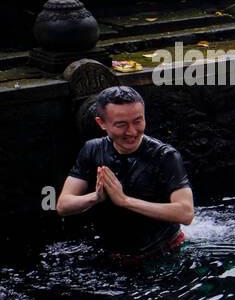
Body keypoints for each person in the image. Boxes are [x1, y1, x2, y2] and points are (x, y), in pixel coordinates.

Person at [57, 85, 195, 260]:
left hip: (164, 253)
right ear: (102, 123)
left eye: (138, 121)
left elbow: (186, 213)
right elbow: (63, 206)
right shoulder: (93, 149)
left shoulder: (165, 156)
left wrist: (125, 201)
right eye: (121, 124)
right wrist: (96, 197)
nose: (131, 132)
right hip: (114, 253)